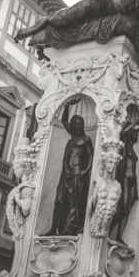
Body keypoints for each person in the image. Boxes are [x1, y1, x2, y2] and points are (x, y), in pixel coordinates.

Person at [14, 0, 139, 138]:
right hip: (115, 8)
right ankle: (48, 24)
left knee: (73, 15)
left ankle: (48, 22)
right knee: (85, 18)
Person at [46, 97, 93, 235]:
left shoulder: (86, 139)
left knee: (74, 203)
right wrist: (67, 105)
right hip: (65, 174)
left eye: (79, 124)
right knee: (59, 200)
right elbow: (63, 120)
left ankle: (69, 228)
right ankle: (53, 227)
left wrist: (85, 171)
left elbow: (91, 156)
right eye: (75, 124)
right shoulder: (73, 135)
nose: (77, 126)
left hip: (77, 174)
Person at [108, 104, 139, 242]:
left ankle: (119, 236)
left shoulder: (132, 150)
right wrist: (132, 123)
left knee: (127, 209)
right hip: (125, 180)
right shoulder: (125, 146)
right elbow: (122, 133)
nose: (137, 136)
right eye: (135, 133)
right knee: (122, 209)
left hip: (133, 181)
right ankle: (108, 232)